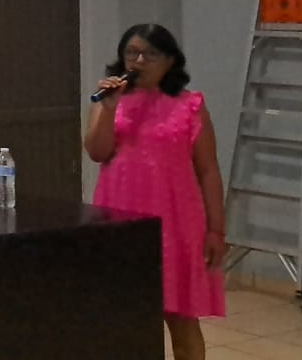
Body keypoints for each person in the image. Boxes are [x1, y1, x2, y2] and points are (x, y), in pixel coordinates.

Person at [85, 24, 225, 359]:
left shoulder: (190, 104)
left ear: (170, 61)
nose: (139, 61)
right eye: (131, 52)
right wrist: (108, 109)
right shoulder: (108, 100)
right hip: (119, 220)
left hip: (175, 222)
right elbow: (96, 152)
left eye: (150, 54)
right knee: (122, 319)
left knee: (181, 321)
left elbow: (208, 170)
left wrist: (217, 229)